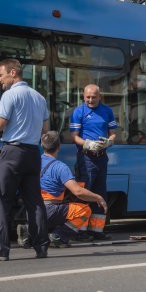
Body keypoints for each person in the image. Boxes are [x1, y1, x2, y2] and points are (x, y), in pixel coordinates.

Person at [17, 131, 108, 248]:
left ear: (42, 145)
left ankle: (28, 230)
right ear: (59, 147)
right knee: (84, 210)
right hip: (49, 210)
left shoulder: (34, 163)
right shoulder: (60, 167)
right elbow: (78, 192)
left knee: (58, 210)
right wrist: (98, 197)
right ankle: (58, 236)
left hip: (31, 209)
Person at [0, 58, 49, 261]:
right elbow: (45, 131)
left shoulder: (9, 95)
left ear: (13, 73)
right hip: (33, 153)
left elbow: (1, 123)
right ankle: (41, 247)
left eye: (1, 75)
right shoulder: (40, 97)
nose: (0, 80)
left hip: (12, 152)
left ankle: (3, 250)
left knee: (3, 200)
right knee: (35, 202)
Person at [70, 84, 117, 240]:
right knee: (84, 193)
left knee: (99, 193)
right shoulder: (79, 112)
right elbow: (74, 136)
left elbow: (113, 134)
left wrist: (108, 143)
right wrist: (87, 144)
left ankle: (96, 231)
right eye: (88, 97)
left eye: (94, 97)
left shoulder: (107, 111)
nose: (90, 100)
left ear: (99, 97)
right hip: (86, 158)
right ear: (84, 96)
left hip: (101, 157)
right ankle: (79, 231)